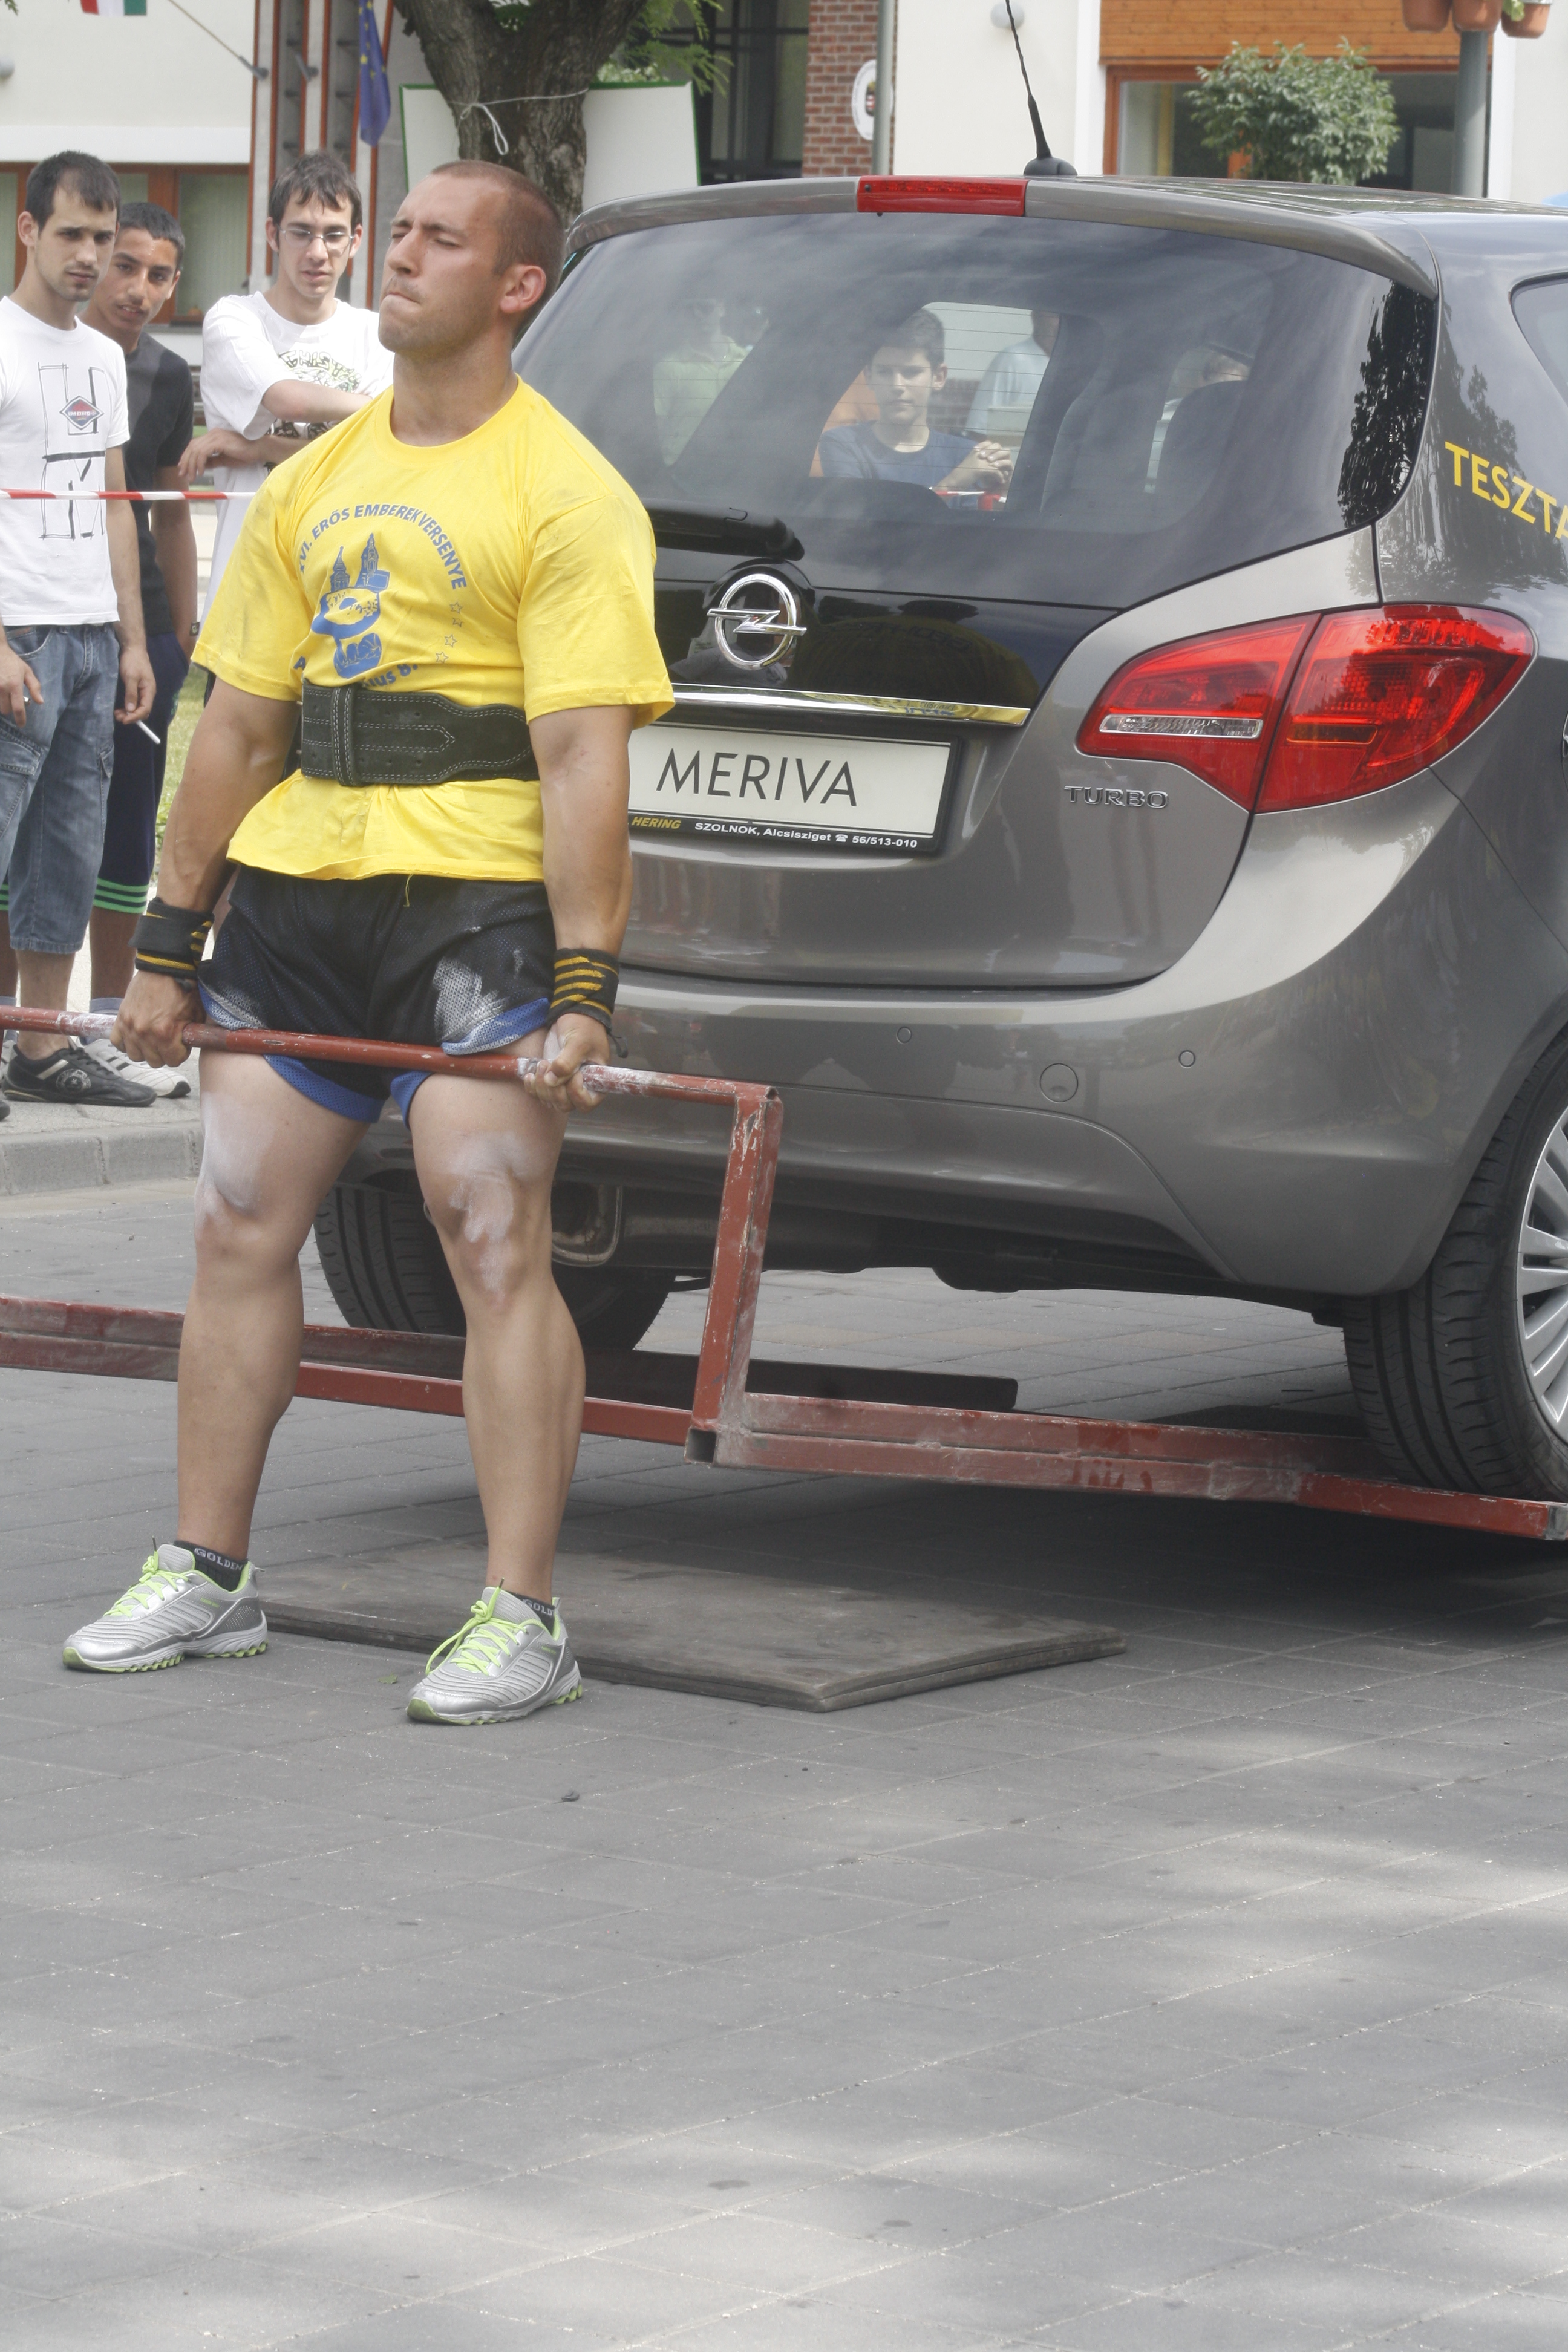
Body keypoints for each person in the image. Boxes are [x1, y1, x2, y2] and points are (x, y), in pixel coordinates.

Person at [63, 162, 673, 1730]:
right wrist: (165, 945)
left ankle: (523, 1614)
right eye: (395, 232)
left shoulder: (569, 492)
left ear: (518, 286)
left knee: (490, 1229)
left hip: (479, 913)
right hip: (300, 899)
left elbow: (583, 761)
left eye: (437, 240)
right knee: (236, 1224)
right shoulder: (318, 479)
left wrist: (589, 986)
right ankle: (207, 1571)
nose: (397, 256)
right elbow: (237, 726)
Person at [0, 152, 156, 1111]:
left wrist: (132, 639)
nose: (90, 255)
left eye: (103, 237)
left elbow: (114, 504)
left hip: (93, 637)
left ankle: (42, 1047)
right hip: (18, 631)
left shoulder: (104, 356)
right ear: (29, 230)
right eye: (72, 234)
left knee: (67, 852)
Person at [74, 201, 198, 1099]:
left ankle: (107, 1022)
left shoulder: (166, 374)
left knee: (127, 830)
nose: (138, 288)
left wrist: (179, 636)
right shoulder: (34, 351)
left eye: (158, 275)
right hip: (46, 622)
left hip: (143, 636)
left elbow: (170, 515)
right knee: (33, 831)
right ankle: (23, 1028)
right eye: (125, 265)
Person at [180, 150, 393, 619]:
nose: (317, 252)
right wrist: (378, 408)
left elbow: (379, 454)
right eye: (301, 232)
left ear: (356, 241)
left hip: (343, 597)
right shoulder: (234, 319)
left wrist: (259, 448)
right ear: (273, 234)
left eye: (334, 235)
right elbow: (288, 400)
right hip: (248, 595)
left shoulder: (377, 335)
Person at [819, 309, 1012, 494]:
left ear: (938, 377)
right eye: (885, 372)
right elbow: (860, 516)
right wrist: (952, 484)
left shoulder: (966, 455)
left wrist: (1000, 494)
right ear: (869, 377)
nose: (897, 385)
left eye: (911, 372)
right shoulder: (843, 444)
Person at [652, 293, 747, 464]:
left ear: (721, 309)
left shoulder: (746, 363)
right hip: (681, 473)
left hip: (737, 470)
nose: (698, 314)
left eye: (705, 307)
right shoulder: (669, 369)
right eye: (690, 310)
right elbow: (655, 432)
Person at [966, 307, 1057, 439]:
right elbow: (979, 431)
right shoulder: (1011, 360)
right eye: (1055, 314)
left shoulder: (1078, 365)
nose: (1061, 322)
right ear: (1036, 317)